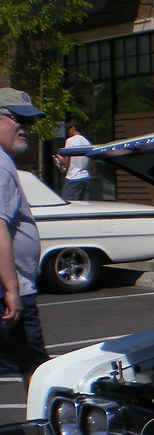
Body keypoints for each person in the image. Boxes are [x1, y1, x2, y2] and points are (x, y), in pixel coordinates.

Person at [0, 87, 48, 385]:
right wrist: (12, 289)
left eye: (30, 122)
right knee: (37, 370)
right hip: (8, 292)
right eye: (19, 119)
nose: (26, 128)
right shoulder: (1, 165)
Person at [54, 118, 91, 200]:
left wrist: (58, 161)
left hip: (73, 177)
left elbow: (66, 162)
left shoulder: (70, 141)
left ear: (73, 128)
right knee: (84, 205)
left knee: (68, 204)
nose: (68, 132)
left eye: (68, 129)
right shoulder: (87, 142)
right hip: (85, 177)